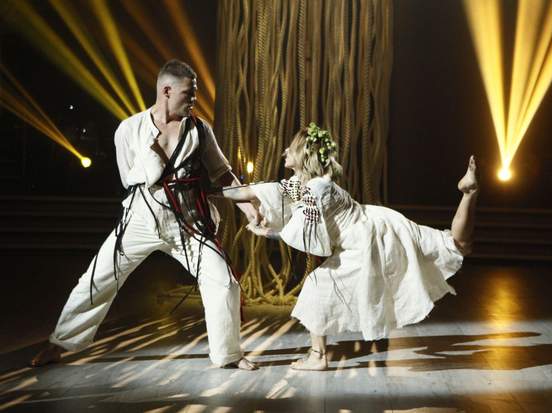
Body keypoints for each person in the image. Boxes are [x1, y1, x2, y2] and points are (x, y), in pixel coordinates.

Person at [30, 59, 258, 371]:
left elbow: (223, 173)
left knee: (224, 282)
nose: (194, 99)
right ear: (167, 90)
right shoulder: (129, 129)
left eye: (194, 93)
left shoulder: (200, 130)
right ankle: (58, 343)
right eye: (188, 93)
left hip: (188, 224)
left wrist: (248, 206)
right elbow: (128, 178)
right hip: (140, 220)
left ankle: (228, 355)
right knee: (97, 279)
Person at [217, 122, 478, 370]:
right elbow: (252, 192)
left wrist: (266, 232)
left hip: (366, 242)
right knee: (457, 245)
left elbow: (303, 235)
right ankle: (469, 192)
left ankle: (318, 357)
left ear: (303, 155)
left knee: (317, 285)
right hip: (382, 223)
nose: (285, 151)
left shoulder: (314, 189)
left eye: (291, 148)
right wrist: (210, 189)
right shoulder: (305, 183)